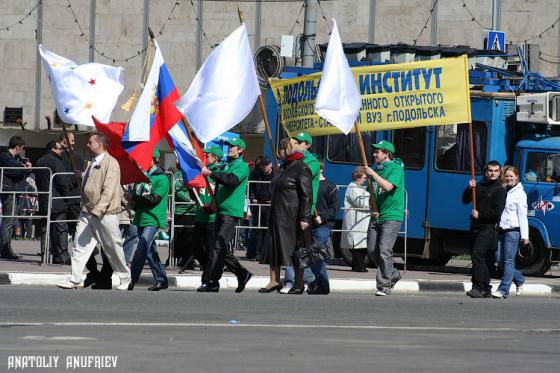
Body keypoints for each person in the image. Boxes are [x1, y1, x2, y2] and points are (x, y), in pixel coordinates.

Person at [57, 132, 130, 290]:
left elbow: (109, 190)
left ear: (100, 145)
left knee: (112, 246)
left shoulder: (111, 163)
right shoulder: (91, 162)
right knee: (79, 245)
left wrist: (99, 209)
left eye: (91, 142)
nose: (88, 145)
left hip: (105, 213)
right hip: (87, 211)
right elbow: (92, 182)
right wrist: (82, 175)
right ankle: (74, 278)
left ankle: (125, 277)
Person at [259, 138, 312, 294]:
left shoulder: (302, 168)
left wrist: (304, 217)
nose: (280, 152)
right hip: (277, 215)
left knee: (296, 250)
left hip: (292, 217)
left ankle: (298, 283)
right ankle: (274, 281)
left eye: (282, 149)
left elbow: (306, 195)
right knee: (274, 248)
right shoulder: (284, 168)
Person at [200, 138, 253, 293]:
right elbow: (220, 183)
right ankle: (242, 273)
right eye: (228, 146)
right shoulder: (227, 165)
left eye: (232, 147)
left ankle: (213, 281)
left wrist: (210, 173)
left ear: (240, 150)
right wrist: (214, 202)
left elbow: (230, 180)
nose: (229, 149)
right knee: (219, 247)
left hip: (230, 212)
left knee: (218, 246)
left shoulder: (242, 167)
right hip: (221, 210)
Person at [364, 140, 405, 296]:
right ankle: (393, 273)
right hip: (376, 216)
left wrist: (372, 174)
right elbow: (372, 193)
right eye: (374, 151)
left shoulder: (396, 168)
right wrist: (371, 209)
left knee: (384, 250)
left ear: (386, 153)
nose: (374, 154)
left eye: (377, 152)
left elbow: (388, 187)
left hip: (391, 215)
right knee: (372, 250)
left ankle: (384, 285)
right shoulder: (376, 169)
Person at [281, 132, 320, 293]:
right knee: (297, 248)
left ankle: (294, 281)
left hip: (302, 210)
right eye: (294, 142)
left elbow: (302, 187)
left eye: (300, 143)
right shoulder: (294, 161)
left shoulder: (310, 163)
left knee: (299, 249)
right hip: (291, 209)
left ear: (307, 145)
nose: (295, 144)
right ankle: (307, 279)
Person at [462, 160, 507, 298]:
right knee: (484, 257)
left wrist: (480, 215)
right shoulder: (479, 185)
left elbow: (497, 212)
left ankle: (478, 286)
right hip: (475, 226)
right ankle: (486, 288)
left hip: (488, 227)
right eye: (490, 170)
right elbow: (465, 200)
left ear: (499, 172)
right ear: (486, 172)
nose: (493, 173)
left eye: (495, 171)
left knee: (477, 254)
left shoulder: (500, 190)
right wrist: (469, 188)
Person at [127, 149, 170, 291]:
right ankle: (161, 279)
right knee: (150, 251)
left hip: (153, 218)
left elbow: (153, 200)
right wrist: (130, 201)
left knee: (142, 247)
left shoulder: (162, 178)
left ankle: (131, 280)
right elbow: (136, 197)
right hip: (140, 218)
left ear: (155, 159)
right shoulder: (141, 176)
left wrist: (134, 198)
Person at [492, 166, 527, 299]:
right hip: (501, 230)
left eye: (511, 176)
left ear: (517, 177)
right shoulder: (503, 190)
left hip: (513, 231)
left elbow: (523, 215)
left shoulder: (520, 193)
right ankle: (519, 280)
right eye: (507, 176)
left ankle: (503, 290)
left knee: (508, 261)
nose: (509, 178)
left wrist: (525, 236)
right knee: (499, 261)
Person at [35, 140, 71, 264]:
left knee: (45, 228)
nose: (61, 151)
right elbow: (63, 181)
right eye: (59, 148)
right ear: (53, 149)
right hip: (57, 201)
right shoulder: (56, 161)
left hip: (44, 200)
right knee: (61, 229)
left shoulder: (39, 161)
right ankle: (62, 257)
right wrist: (66, 196)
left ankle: (45, 255)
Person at [190, 147, 222, 285]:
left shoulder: (218, 173)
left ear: (215, 158)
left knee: (211, 250)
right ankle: (207, 268)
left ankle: (207, 279)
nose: (205, 157)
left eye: (207, 155)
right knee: (195, 247)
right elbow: (196, 195)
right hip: (200, 216)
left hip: (212, 218)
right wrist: (189, 187)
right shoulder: (199, 174)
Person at [306, 161, 338, 295]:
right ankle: (320, 285)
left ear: (321, 169)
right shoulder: (308, 186)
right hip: (308, 225)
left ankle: (319, 284)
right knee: (315, 256)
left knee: (317, 255)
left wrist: (323, 217)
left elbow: (335, 207)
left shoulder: (330, 186)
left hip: (323, 226)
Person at [0, 135, 32, 260]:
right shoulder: (5, 156)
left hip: (16, 191)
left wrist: (25, 168)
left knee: (12, 221)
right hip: (9, 192)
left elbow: (20, 171)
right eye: (22, 148)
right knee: (8, 222)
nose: (22, 151)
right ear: (18, 147)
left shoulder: (17, 159)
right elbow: (15, 171)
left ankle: (5, 248)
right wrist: (23, 168)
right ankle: (5, 250)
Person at [341, 166, 370, 272]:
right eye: (364, 177)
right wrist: (372, 202)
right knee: (357, 246)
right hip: (356, 221)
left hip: (360, 221)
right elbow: (360, 203)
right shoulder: (352, 187)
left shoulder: (357, 187)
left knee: (360, 245)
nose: (365, 180)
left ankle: (359, 266)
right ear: (359, 176)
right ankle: (358, 267)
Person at [247, 156, 274, 260]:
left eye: (266, 164)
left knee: (268, 229)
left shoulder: (276, 175)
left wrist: (274, 200)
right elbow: (251, 188)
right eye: (263, 165)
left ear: (270, 164)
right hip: (258, 204)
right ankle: (256, 253)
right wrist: (253, 198)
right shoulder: (256, 175)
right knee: (257, 229)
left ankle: (266, 253)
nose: (264, 167)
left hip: (270, 205)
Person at [59, 131, 84, 240]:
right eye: (72, 140)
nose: (74, 143)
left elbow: (78, 173)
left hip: (74, 194)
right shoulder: (60, 154)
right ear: (65, 140)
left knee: (77, 224)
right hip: (63, 195)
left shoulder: (76, 155)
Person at [172, 164, 196, 268]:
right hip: (181, 210)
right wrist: (190, 200)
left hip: (194, 211)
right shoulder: (178, 175)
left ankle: (189, 259)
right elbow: (178, 191)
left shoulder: (195, 174)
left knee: (191, 238)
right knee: (180, 237)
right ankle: (181, 259)